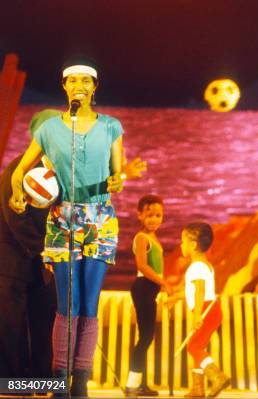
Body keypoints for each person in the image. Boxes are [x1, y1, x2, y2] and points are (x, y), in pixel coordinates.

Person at [9, 56, 125, 397]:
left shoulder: (111, 126)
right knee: (67, 304)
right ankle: (59, 377)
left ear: (94, 87)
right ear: (65, 87)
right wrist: (18, 195)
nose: (79, 86)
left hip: (100, 219)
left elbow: (117, 175)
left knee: (90, 303)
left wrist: (118, 180)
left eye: (85, 81)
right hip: (62, 219)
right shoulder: (49, 129)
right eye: (73, 81)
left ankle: (82, 381)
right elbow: (20, 172)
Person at [0, 154, 56, 379]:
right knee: (11, 327)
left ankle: (43, 381)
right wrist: (45, 248)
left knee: (46, 323)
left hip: (42, 265)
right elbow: (15, 217)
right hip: (12, 262)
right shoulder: (20, 169)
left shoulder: (60, 171)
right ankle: (12, 383)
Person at [125, 195, 173, 397]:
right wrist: (163, 283)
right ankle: (132, 385)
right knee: (145, 338)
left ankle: (140, 384)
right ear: (140, 215)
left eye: (158, 215)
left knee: (146, 337)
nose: (154, 219)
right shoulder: (142, 238)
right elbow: (142, 266)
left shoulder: (154, 239)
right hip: (143, 288)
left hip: (149, 290)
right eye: (150, 215)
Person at [181, 222, 229, 398]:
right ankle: (198, 388)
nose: (181, 245)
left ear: (193, 245)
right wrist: (174, 298)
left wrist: (197, 315)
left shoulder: (196, 267)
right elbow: (195, 290)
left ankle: (217, 376)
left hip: (206, 309)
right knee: (198, 346)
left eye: (183, 241)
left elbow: (200, 290)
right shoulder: (205, 265)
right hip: (212, 309)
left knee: (193, 347)